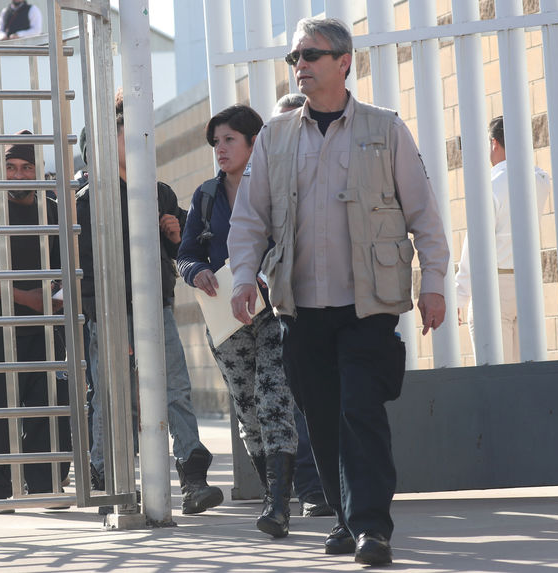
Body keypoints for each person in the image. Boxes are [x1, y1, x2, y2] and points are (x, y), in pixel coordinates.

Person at [227, 17, 449, 566]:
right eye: (294, 57)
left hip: (368, 306)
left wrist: (435, 284)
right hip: (301, 307)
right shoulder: (276, 136)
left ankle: (373, 528)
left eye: (310, 55)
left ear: (343, 61)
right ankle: (347, 520)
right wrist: (241, 277)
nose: (299, 64)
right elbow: (251, 217)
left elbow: (424, 213)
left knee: (361, 411)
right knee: (322, 418)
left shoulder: (385, 128)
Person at [76, 98, 223, 516]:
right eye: (130, 136)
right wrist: (110, 321)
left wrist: (177, 237)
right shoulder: (88, 198)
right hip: (109, 314)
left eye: (145, 136)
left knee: (175, 389)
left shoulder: (159, 192)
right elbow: (84, 263)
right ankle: (108, 479)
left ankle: (192, 476)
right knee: (112, 395)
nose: (142, 142)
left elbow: (188, 248)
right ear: (106, 144)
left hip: (156, 307)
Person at [176, 104, 298, 537]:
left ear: (253, 141)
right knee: (248, 410)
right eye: (215, 142)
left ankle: (279, 505)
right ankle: (273, 493)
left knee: (273, 400)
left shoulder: (275, 186)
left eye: (229, 140)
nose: (220, 149)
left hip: (273, 311)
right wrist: (196, 271)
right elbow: (186, 253)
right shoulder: (205, 197)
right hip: (226, 321)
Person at [0, 131, 71, 512]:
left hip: (44, 330)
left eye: (26, 168)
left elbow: (71, 267)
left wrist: (52, 300)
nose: (18, 176)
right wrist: (31, 299)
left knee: (47, 407)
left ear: (39, 171)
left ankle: (45, 486)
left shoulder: (54, 211)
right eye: (11, 168)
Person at [271, 91, 334, 519]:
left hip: (331, 307)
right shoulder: (263, 174)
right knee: (297, 406)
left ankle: (339, 489)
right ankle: (312, 490)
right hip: (276, 310)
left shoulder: (329, 175)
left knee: (334, 403)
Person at [454, 116, 551, 364]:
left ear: (494, 143)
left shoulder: (491, 184)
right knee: (525, 377)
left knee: (494, 377)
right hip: (526, 285)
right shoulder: (540, 180)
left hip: (494, 288)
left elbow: (474, 245)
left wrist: (459, 296)